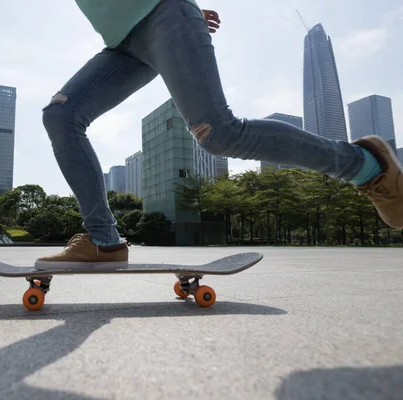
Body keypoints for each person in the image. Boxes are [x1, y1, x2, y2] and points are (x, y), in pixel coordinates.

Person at [35, 0, 403, 270]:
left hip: (164, 14)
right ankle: (103, 241)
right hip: (123, 45)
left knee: (219, 134)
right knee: (61, 114)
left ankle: (366, 165)